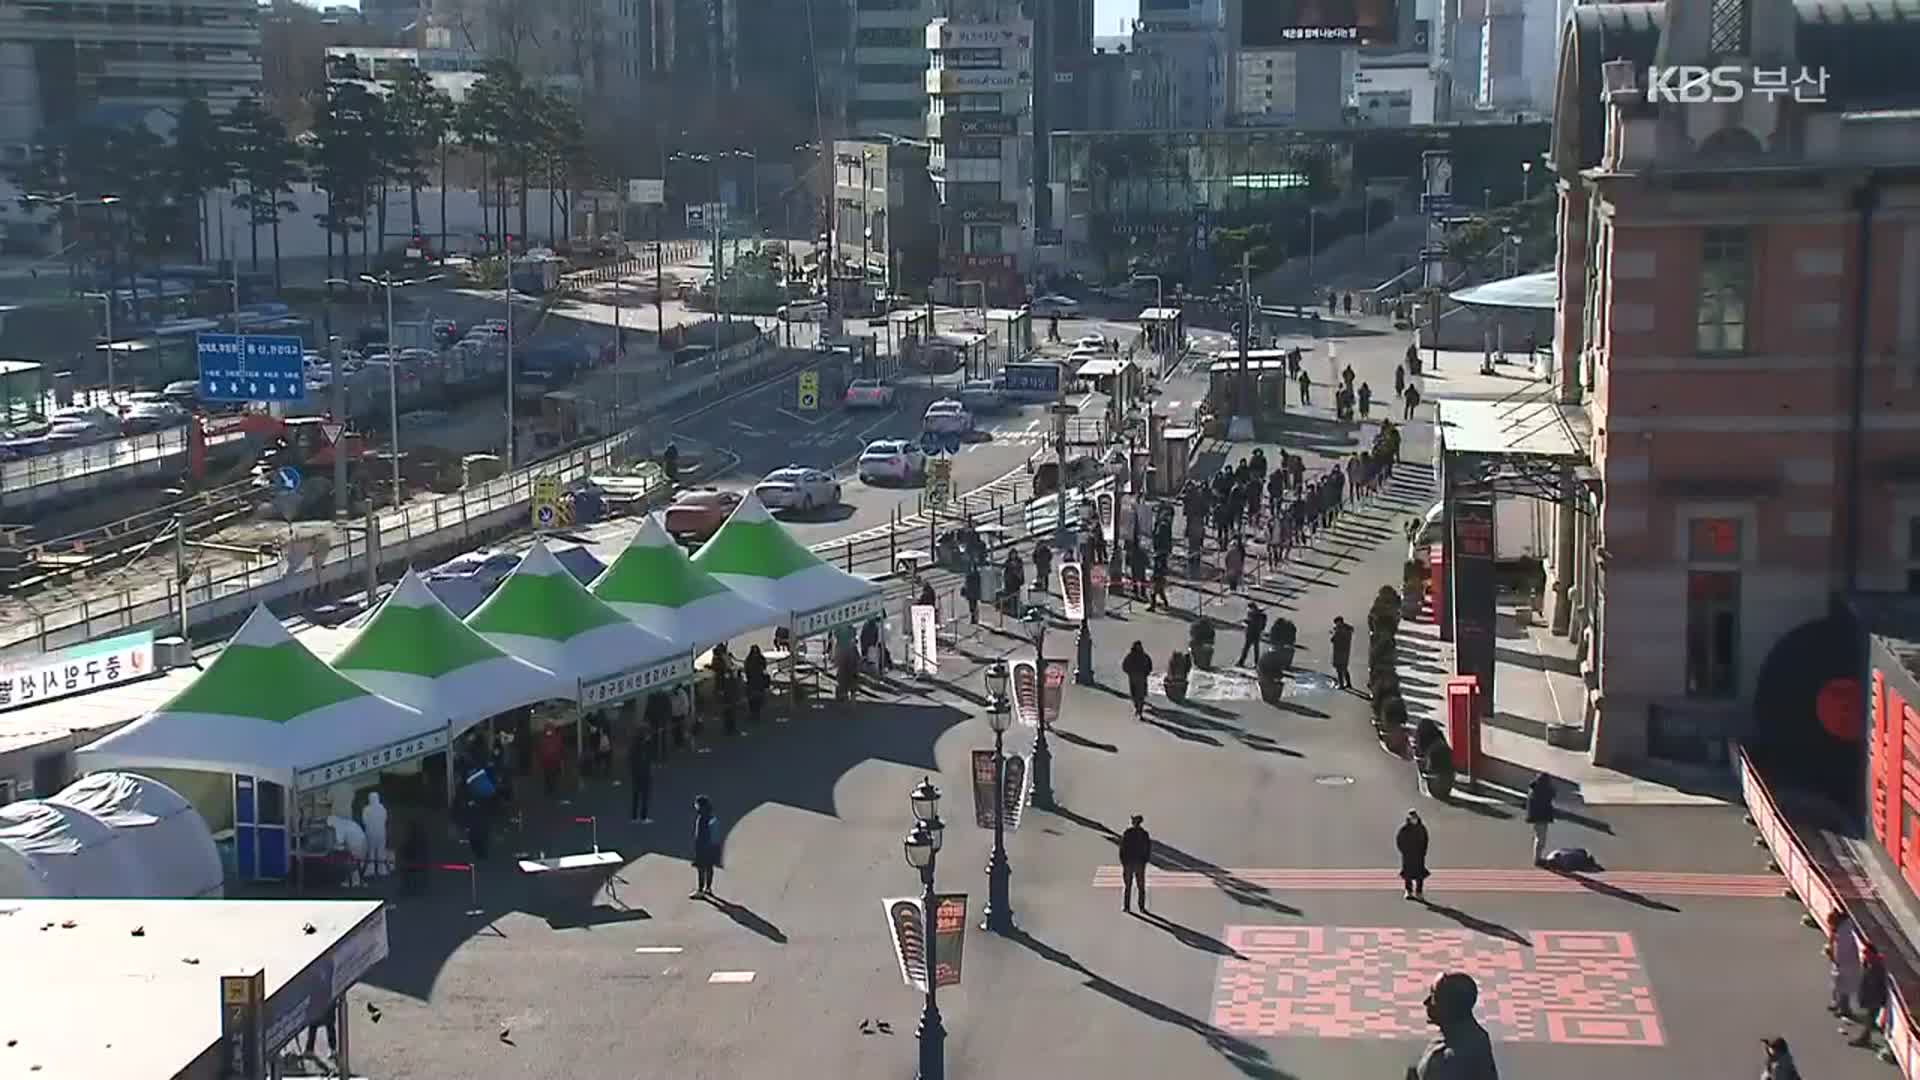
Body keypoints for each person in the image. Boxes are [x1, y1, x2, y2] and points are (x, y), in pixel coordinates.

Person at [1406, 972, 1499, 1080]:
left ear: (1451, 1006)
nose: (1426, 1002)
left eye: (1434, 997)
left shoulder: (1459, 1055)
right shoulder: (1451, 1035)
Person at [1851, 943, 1889, 1046]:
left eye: (1866, 953)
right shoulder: (1871, 963)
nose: (1864, 955)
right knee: (1870, 1018)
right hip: (1873, 997)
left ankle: (1864, 1038)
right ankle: (1865, 1037)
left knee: (1870, 1018)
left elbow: (1875, 983)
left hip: (1875, 998)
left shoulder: (1877, 966)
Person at [1829, 910, 1864, 1017]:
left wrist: (1836, 960)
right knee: (1837, 985)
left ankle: (1844, 1009)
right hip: (1841, 963)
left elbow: (1842, 950)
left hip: (1847, 964)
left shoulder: (1845, 932)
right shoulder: (1840, 930)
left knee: (1843, 987)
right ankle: (1838, 1004)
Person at [1118, 814, 1153, 913]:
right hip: (1140, 863)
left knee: (1128, 886)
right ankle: (1141, 907)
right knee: (1141, 886)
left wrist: (1124, 862)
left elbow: (1122, 848)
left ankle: (1127, 907)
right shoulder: (1144, 834)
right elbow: (1148, 849)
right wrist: (1145, 861)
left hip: (1129, 863)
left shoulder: (1127, 833)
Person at [690, 795, 722, 899]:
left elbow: (700, 835)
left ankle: (700, 890)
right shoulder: (712, 816)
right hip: (712, 847)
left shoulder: (702, 818)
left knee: (701, 869)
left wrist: (697, 849)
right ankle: (708, 888)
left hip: (703, 848)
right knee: (709, 868)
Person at [1397, 810, 1430, 901]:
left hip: (1419, 855)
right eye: (1412, 818)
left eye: (1415, 818)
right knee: (1408, 874)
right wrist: (1404, 851)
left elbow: (1425, 840)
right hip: (1408, 856)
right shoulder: (1404, 829)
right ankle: (1408, 891)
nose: (1413, 820)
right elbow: (1399, 841)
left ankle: (1419, 892)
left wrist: (1423, 852)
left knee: (1420, 874)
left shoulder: (1421, 828)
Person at [1525, 773, 1557, 865]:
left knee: (1539, 837)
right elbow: (1552, 795)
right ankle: (1537, 859)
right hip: (1541, 817)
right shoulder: (1544, 791)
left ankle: (1537, 858)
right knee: (1541, 839)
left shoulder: (1533, 789)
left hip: (1536, 817)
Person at [628, 724, 654, 824]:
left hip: (636, 774)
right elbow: (647, 758)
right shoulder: (644, 746)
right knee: (644, 796)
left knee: (636, 795)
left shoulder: (635, 745)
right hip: (644, 774)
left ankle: (634, 817)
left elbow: (631, 759)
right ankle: (643, 817)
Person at [1123, 641, 1154, 720]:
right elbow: (1125, 666)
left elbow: (1149, 666)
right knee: (1136, 695)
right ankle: (1138, 708)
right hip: (1136, 677)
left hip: (1139, 677)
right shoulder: (1133, 656)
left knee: (1139, 695)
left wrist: (1145, 673)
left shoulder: (1141, 656)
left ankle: (1139, 710)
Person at [537, 722, 565, 797]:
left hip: (551, 760)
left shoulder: (544, 738)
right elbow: (560, 748)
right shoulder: (555, 737)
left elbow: (560, 748)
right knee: (549, 775)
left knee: (550, 775)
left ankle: (550, 788)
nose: (549, 731)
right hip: (550, 760)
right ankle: (550, 787)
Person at [744, 645, 770, 726]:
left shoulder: (758, 659)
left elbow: (763, 667)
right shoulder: (751, 659)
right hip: (754, 681)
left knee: (757, 698)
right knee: (753, 698)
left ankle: (756, 713)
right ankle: (754, 713)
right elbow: (747, 669)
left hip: (757, 681)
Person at [1239, 601, 1268, 667]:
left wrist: (1245, 622)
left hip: (1252, 633)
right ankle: (1255, 663)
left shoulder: (1256, 615)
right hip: (1255, 633)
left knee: (1248, 649)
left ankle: (1243, 662)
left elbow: (1251, 622)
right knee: (1253, 649)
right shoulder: (1259, 615)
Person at [1330, 616, 1355, 690]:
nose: (1336, 625)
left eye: (1336, 623)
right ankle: (1348, 683)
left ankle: (1341, 685)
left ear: (1339, 622)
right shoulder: (1348, 629)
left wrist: (1334, 633)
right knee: (1344, 668)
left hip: (1339, 651)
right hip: (1346, 651)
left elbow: (1333, 640)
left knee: (1339, 668)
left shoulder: (1339, 630)